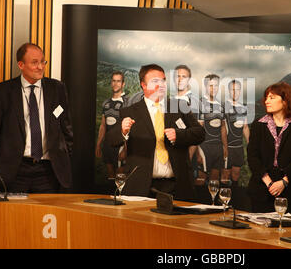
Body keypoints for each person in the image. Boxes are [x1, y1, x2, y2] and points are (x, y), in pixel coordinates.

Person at [0, 43, 73, 193]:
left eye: (43, 61)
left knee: (46, 216)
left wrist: (64, 153)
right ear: (21, 65)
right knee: (13, 216)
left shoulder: (57, 89)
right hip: (14, 171)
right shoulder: (3, 91)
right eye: (34, 62)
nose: (40, 67)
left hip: (48, 171)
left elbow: (66, 128)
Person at [105, 64, 205, 201]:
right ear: (143, 85)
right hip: (140, 187)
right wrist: (122, 130)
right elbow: (111, 140)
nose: (161, 85)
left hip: (177, 186)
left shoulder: (179, 106)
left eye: (163, 80)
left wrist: (179, 135)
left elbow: (200, 133)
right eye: (155, 81)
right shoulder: (130, 111)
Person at [247, 82, 291, 217]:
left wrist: (284, 181)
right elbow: (252, 156)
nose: (266, 101)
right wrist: (269, 182)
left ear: (285, 100)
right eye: (266, 97)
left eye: (272, 97)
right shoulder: (258, 125)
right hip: (262, 190)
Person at [95, 71, 129, 179]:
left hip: (120, 146)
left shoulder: (126, 103)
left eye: (118, 81)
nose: (115, 83)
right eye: (114, 81)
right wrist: (98, 145)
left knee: (120, 179)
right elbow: (103, 126)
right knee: (110, 177)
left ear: (123, 84)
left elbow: (129, 128)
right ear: (111, 83)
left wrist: (125, 149)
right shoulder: (106, 103)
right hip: (107, 146)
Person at [198, 74, 228, 184]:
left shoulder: (221, 106)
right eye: (210, 85)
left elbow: (223, 128)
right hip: (204, 147)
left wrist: (225, 147)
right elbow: (198, 129)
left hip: (218, 147)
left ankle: (212, 202)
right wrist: (197, 151)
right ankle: (198, 201)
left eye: (216, 86)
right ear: (205, 86)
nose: (213, 88)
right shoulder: (200, 104)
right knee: (201, 180)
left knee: (215, 181)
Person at [224, 79, 249, 187]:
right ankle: (222, 201)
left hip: (238, 147)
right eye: (232, 90)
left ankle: (235, 200)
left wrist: (249, 142)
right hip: (227, 147)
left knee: (236, 174)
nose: (235, 92)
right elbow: (221, 129)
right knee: (225, 175)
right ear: (229, 91)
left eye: (238, 90)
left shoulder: (243, 108)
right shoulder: (223, 107)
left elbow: (245, 127)